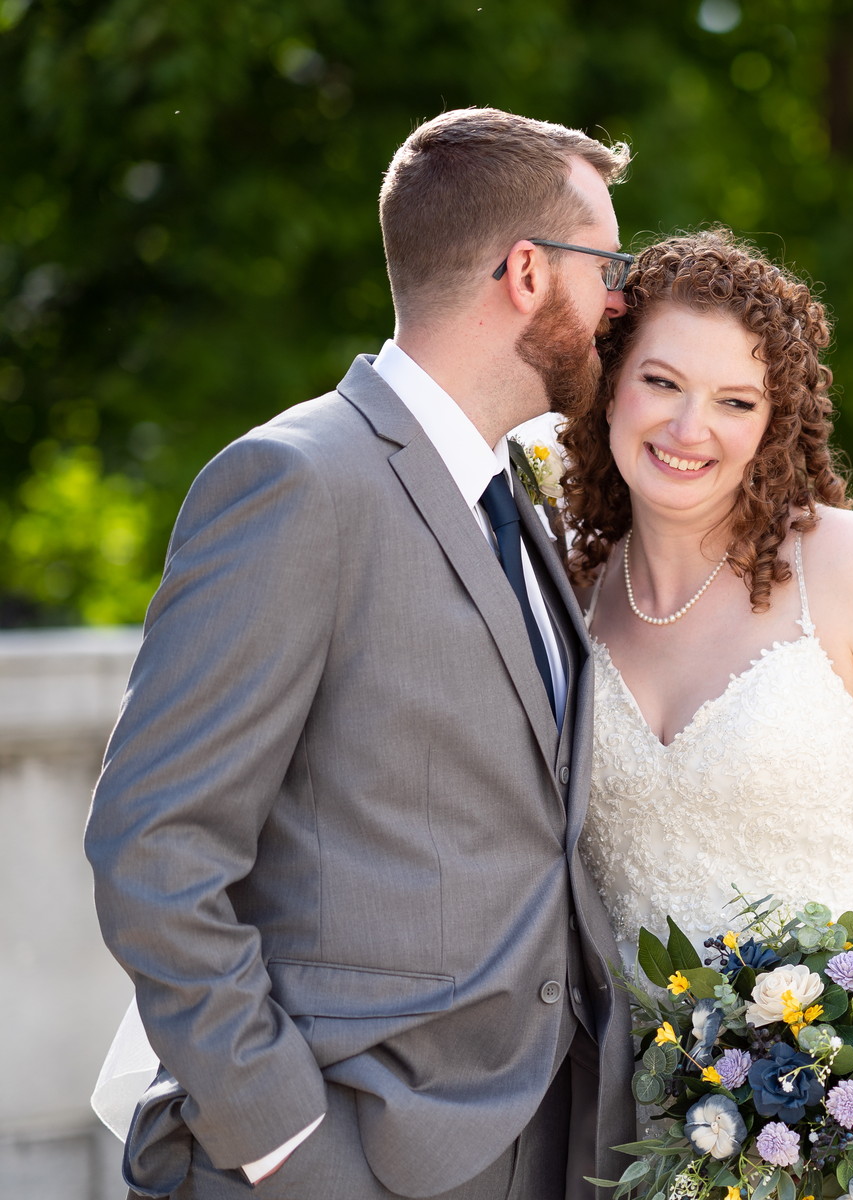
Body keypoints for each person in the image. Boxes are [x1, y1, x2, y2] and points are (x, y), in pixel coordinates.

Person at [84, 107, 638, 1200]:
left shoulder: (513, 501)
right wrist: (284, 1141)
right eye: (607, 265)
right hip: (349, 1150)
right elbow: (154, 845)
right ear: (527, 271)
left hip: (544, 1143)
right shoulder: (296, 482)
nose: (622, 298)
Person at [560, 230, 853, 995]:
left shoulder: (850, 567)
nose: (689, 428)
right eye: (662, 382)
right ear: (608, 382)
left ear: (772, 424)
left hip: (833, 1087)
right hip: (609, 1098)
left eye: (735, 401)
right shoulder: (569, 588)